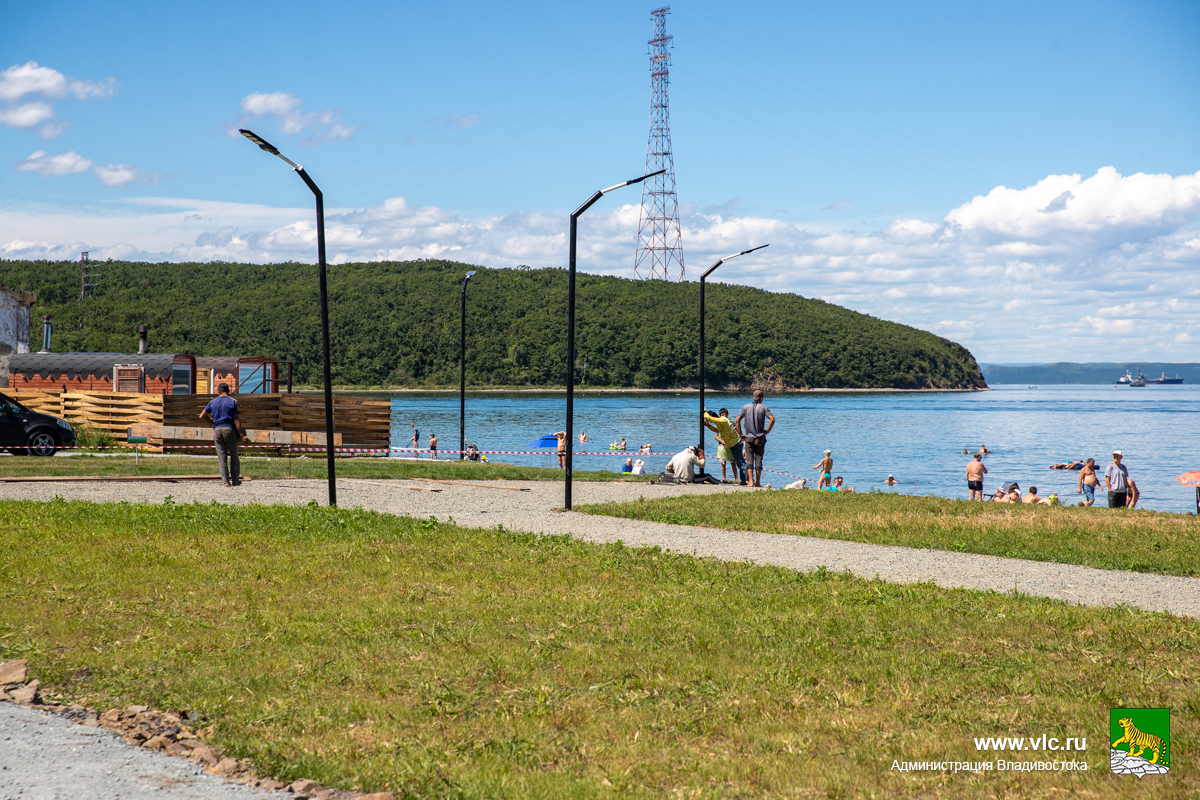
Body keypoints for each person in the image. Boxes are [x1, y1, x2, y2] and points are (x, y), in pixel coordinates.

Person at [199, 382, 248, 487]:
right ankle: (235, 480)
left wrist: (212, 423)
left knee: (222, 457)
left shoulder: (212, 402)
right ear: (229, 391)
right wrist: (242, 434)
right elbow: (236, 420)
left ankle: (225, 481)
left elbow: (202, 416)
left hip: (217, 430)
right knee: (234, 456)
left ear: (218, 391)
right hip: (229, 429)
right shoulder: (233, 401)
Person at [736, 390, 775, 488]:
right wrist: (767, 431)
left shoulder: (745, 407)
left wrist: (740, 434)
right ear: (761, 398)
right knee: (759, 459)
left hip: (748, 437)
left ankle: (750, 482)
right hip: (760, 437)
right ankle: (757, 482)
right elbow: (772, 419)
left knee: (749, 459)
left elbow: (737, 420)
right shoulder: (764, 407)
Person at [703, 407, 746, 485]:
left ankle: (746, 480)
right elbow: (717, 430)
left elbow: (707, 417)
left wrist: (704, 411)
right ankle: (745, 480)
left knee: (741, 463)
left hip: (735, 444)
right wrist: (709, 426)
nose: (710, 421)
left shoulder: (722, 420)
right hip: (734, 444)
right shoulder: (720, 422)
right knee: (740, 463)